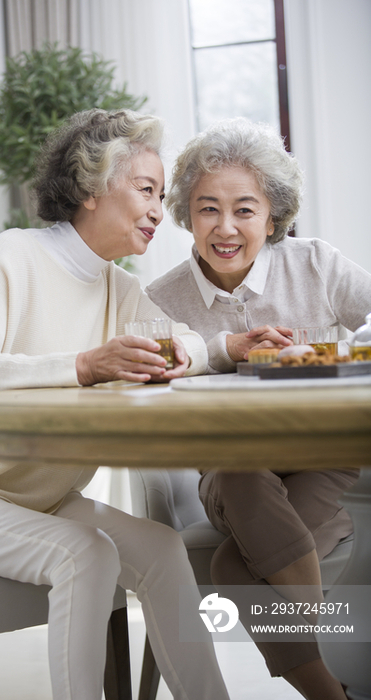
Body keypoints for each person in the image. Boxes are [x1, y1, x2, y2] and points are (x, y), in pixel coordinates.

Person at [0, 109, 230, 700]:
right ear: (89, 188)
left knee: (159, 548)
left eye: (163, 195)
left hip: (44, 496)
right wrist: (84, 365)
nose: (160, 210)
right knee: (86, 555)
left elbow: (185, 340)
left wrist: (191, 353)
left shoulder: (121, 287)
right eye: (146, 189)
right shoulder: (15, 255)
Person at [146, 117, 371, 700]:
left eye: (244, 209)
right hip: (228, 472)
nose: (225, 228)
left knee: (232, 569)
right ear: (186, 215)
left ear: (273, 217)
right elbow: (150, 384)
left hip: (325, 462)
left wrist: (317, 353)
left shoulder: (316, 264)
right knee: (241, 470)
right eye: (206, 209)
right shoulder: (161, 299)